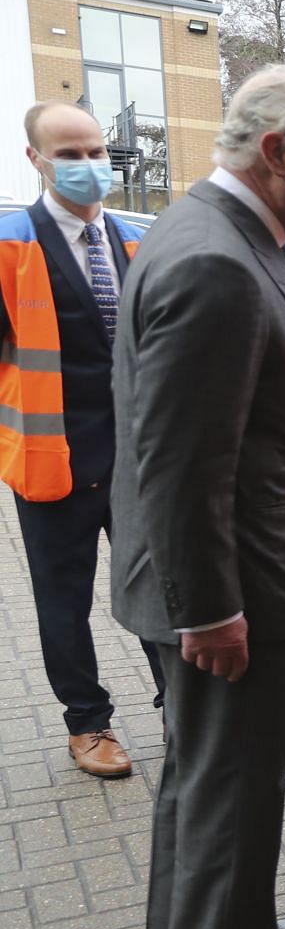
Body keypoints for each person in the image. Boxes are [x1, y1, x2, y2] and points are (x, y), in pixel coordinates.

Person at [111, 64, 285, 929]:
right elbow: (181, 460)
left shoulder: (211, 234)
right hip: (235, 590)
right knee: (234, 774)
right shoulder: (216, 260)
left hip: (225, 574)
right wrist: (210, 606)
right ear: (276, 153)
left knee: (202, 767)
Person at [0, 101, 168, 778]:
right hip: (52, 461)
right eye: (70, 155)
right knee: (62, 603)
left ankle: (178, 703)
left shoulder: (134, 241)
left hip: (136, 462)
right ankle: (88, 724)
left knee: (160, 589)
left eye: (97, 152)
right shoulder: (10, 245)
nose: (89, 166)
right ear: (36, 161)